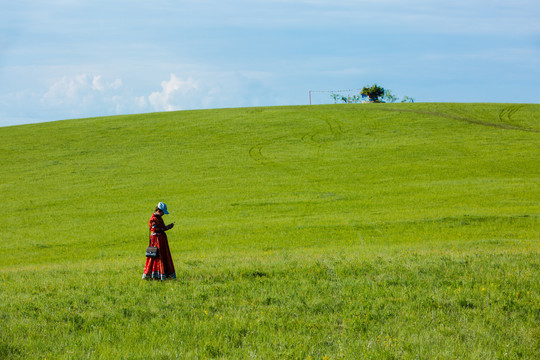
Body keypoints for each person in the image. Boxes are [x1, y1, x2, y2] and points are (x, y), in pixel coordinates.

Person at [142, 202, 176, 280]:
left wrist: (166, 227)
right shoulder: (153, 219)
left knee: (163, 256)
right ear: (158, 210)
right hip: (156, 241)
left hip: (161, 240)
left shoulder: (159, 218)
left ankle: (165, 274)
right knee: (157, 256)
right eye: (163, 212)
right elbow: (155, 229)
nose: (163, 214)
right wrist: (167, 228)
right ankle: (155, 275)